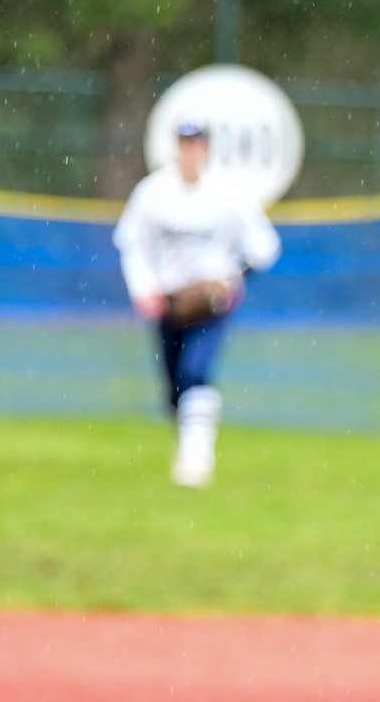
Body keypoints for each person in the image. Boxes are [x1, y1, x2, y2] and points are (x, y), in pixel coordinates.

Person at [112, 120, 281, 488]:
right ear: (176, 148)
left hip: (213, 304)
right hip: (169, 301)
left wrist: (233, 277)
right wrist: (144, 290)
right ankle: (189, 444)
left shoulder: (229, 193)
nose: (191, 151)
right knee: (173, 390)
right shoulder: (154, 192)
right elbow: (133, 245)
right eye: (184, 144)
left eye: (197, 144)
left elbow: (265, 247)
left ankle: (197, 459)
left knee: (195, 371)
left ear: (207, 149)